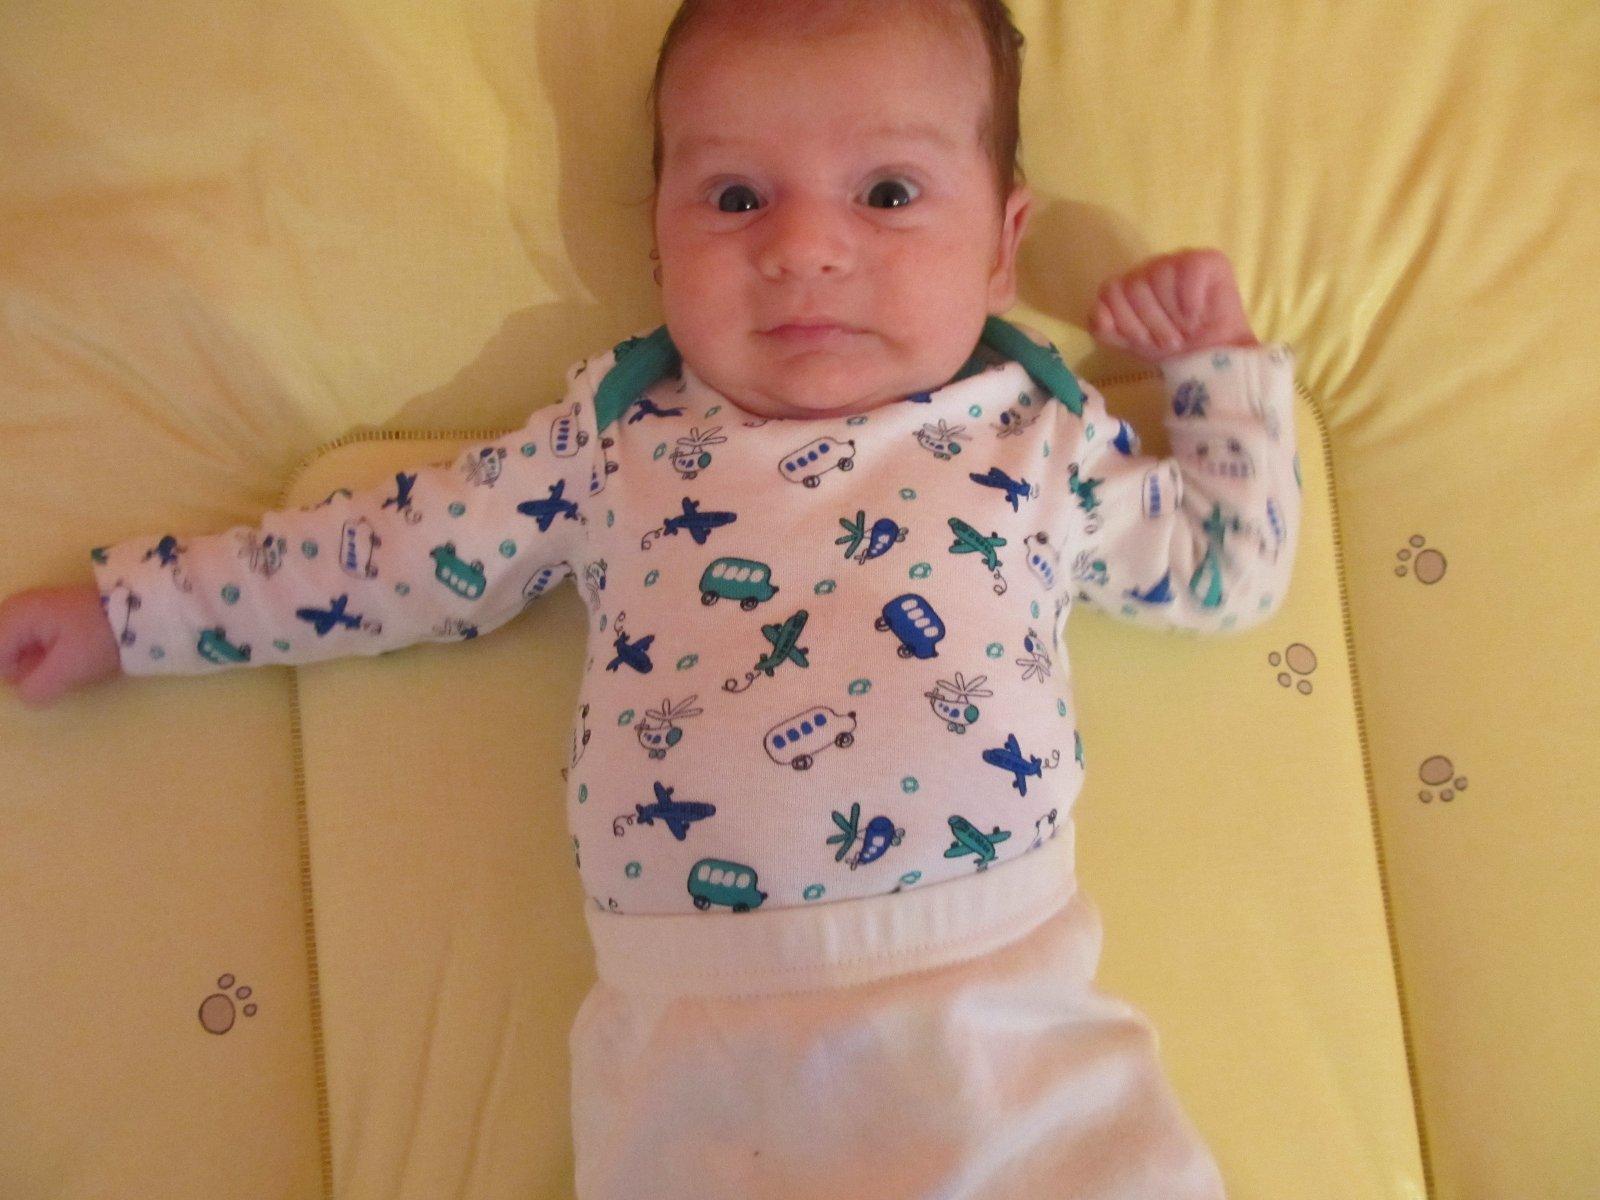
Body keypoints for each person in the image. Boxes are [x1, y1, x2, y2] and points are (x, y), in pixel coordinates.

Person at [0, 2, 1301, 1196]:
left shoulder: (1036, 443)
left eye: (888, 193)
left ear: (1004, 246)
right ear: (657, 238)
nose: (803, 248)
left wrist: (1217, 370)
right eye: (736, 197)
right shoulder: (610, 445)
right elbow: (384, 559)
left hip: (1000, 1032)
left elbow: (1227, 570)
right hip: (693, 1059)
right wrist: (131, 617)